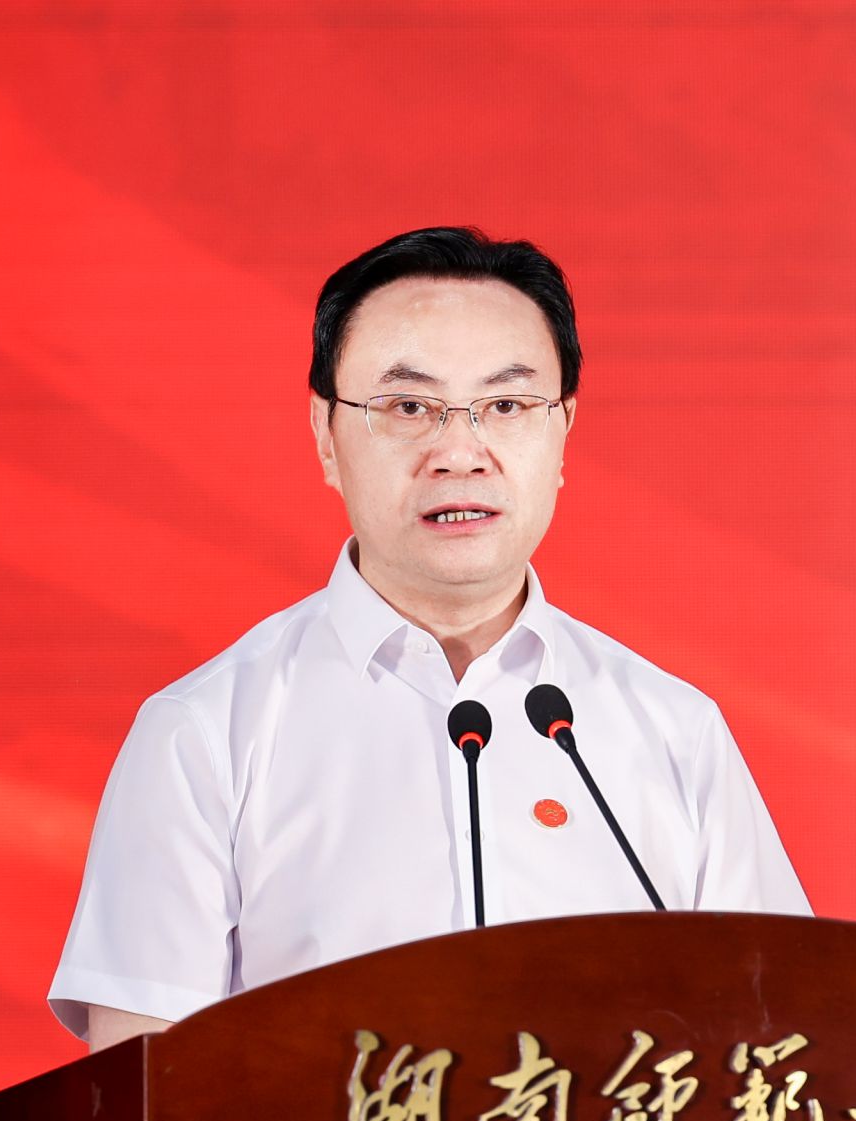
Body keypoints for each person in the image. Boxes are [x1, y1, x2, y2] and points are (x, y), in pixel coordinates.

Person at [50, 227, 811, 1051]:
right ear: (325, 435)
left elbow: (792, 1044)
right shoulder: (205, 734)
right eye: (409, 407)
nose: (459, 452)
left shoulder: (675, 732)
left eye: (507, 406)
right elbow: (140, 1093)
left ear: (563, 431)